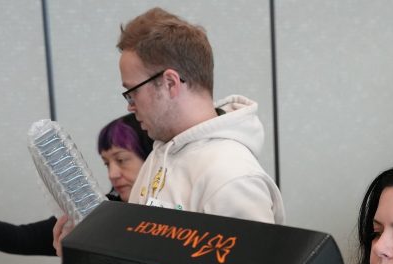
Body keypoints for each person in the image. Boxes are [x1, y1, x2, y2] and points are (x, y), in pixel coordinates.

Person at [115, 7, 284, 224]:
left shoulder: (232, 177)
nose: (130, 106)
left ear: (170, 83)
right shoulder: (160, 154)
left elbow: (252, 259)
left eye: (132, 92)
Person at [0, 113, 153, 256]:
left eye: (121, 160)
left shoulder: (173, 217)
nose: (112, 174)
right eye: (106, 163)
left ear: (152, 158)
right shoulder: (98, 214)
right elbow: (21, 238)